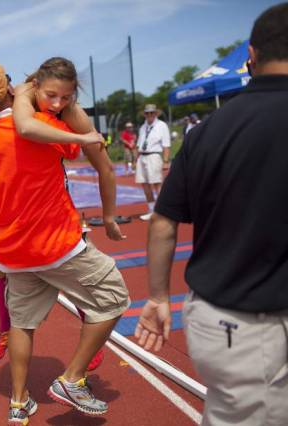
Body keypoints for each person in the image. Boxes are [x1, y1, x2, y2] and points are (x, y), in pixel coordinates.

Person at [135, 4, 288, 425]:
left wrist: (158, 296)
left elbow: (165, 221)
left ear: (251, 56)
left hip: (227, 321)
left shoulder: (207, 131)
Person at [0, 60, 129, 425]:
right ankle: (72, 378)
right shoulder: (44, 127)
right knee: (115, 297)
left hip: (12, 252)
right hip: (57, 242)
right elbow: (76, 151)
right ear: (9, 90)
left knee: (22, 324)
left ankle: (19, 403)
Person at [135, 104, 171, 221]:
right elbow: (139, 144)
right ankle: (151, 210)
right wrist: (136, 158)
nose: (149, 115)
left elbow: (166, 145)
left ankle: (161, 211)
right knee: (144, 184)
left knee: (156, 183)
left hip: (154, 156)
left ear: (155, 114)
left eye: (152, 113)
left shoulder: (162, 126)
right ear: (145, 114)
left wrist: (166, 161)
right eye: (147, 113)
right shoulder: (143, 127)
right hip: (142, 157)